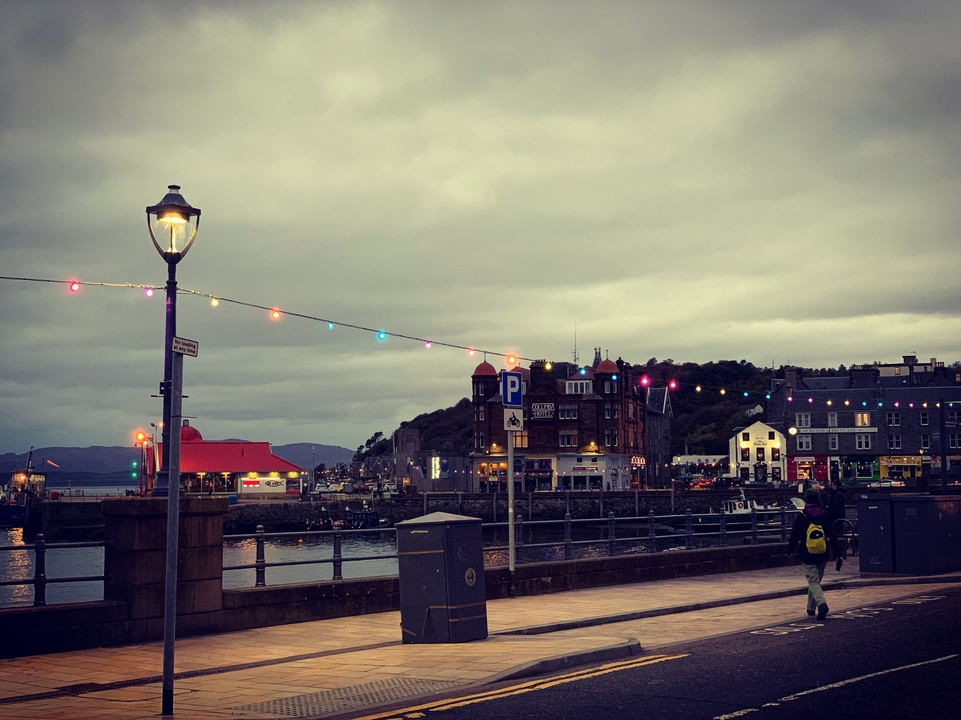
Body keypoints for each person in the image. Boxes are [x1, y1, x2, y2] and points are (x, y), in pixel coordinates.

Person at [787, 489, 842, 621]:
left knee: (813, 581)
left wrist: (789, 550)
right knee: (815, 581)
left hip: (807, 554)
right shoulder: (824, 515)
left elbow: (794, 535)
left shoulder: (802, 516)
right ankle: (811, 608)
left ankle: (822, 605)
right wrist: (838, 553)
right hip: (823, 553)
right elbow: (832, 535)